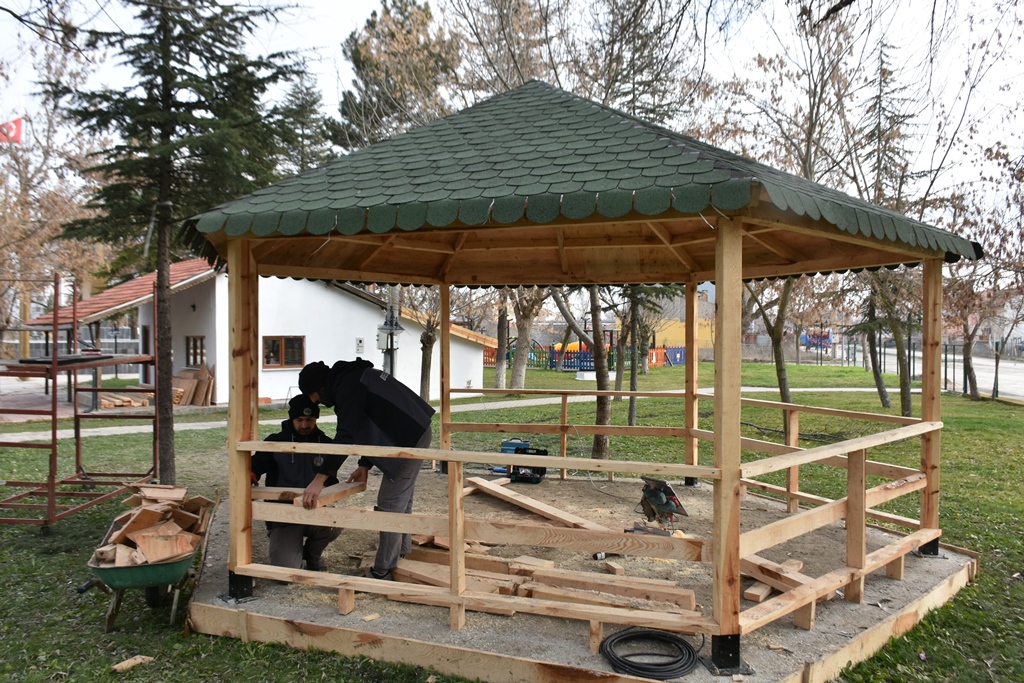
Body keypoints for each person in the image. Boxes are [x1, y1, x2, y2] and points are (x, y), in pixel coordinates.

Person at [298, 358, 434, 581]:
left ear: (320, 386)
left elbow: (346, 434)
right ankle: (402, 550)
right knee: (401, 497)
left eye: (315, 396)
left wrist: (319, 479)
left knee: (390, 503)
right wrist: (364, 464)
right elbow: (370, 421)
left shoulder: (348, 385)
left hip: (410, 437)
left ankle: (383, 570)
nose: (318, 401)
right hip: (413, 431)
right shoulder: (351, 378)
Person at [251, 394, 343, 571]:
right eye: (299, 419)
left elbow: (331, 479)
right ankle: (288, 547)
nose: (304, 425)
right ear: (291, 418)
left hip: (313, 510)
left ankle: (311, 555)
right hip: (283, 515)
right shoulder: (275, 442)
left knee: (338, 522)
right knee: (286, 573)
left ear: (316, 418)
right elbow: (255, 466)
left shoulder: (325, 443)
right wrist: (250, 477)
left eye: (309, 419)